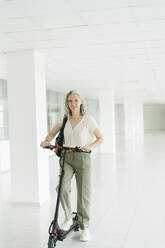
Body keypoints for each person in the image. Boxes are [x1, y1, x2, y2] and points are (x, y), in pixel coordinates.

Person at [40, 90, 103, 242]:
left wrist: (90, 147)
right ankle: (68, 217)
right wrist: (46, 141)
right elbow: (51, 134)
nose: (73, 103)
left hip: (83, 158)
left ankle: (84, 226)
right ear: (67, 103)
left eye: (76, 100)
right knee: (61, 188)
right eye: (70, 101)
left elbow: (100, 138)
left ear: (81, 102)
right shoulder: (64, 119)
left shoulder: (88, 120)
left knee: (84, 194)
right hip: (66, 156)